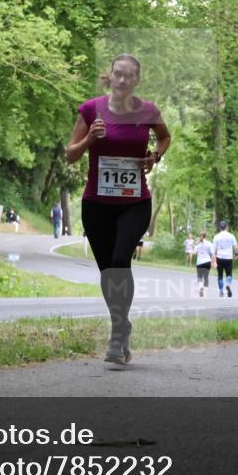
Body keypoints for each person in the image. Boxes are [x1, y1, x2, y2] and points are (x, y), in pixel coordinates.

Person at [66, 53, 170, 367]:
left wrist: (155, 156)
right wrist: (88, 140)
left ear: (137, 80)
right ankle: (122, 325)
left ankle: (116, 333)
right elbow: (70, 155)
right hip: (96, 203)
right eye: (117, 74)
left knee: (120, 258)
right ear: (109, 76)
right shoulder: (91, 109)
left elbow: (165, 137)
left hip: (135, 201)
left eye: (129, 76)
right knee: (108, 272)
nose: (122, 80)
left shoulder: (148, 110)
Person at [212, 220, 238, 297]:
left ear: (220, 227)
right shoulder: (231, 236)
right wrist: (236, 254)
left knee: (220, 275)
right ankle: (228, 284)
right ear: (227, 227)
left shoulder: (216, 237)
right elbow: (235, 247)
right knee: (229, 273)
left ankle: (221, 291)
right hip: (228, 258)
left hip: (219, 257)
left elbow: (214, 249)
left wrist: (213, 260)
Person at [193, 231, 215, 297]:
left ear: (200, 236)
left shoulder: (197, 245)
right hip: (207, 262)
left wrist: (195, 245)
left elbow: (194, 253)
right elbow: (213, 253)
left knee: (200, 277)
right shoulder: (209, 244)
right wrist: (213, 262)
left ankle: (200, 287)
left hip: (199, 262)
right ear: (206, 236)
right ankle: (205, 293)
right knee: (206, 277)